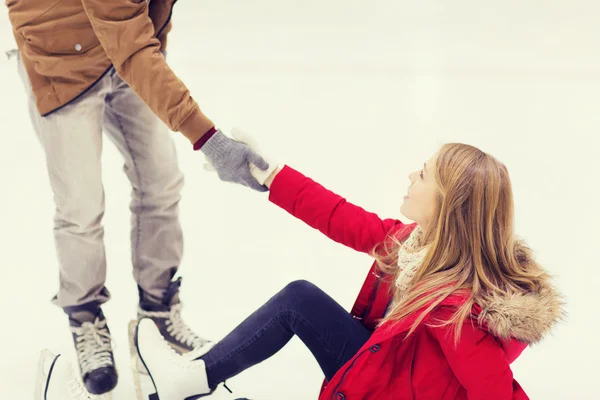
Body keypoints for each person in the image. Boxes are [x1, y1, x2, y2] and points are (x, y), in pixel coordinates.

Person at [37, 140, 565, 399]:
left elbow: (497, 392)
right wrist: (270, 178)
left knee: (298, 301)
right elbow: (341, 218)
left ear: (447, 202)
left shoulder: (458, 309)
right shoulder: (415, 246)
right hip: (378, 374)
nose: (411, 174)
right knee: (301, 299)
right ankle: (190, 380)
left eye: (423, 173)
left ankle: (187, 383)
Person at [6, 0, 270, 395]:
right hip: (59, 55)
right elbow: (131, 45)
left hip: (121, 48)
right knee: (81, 203)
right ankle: (85, 317)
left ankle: (156, 312)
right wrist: (210, 141)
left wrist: (154, 46)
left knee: (161, 179)